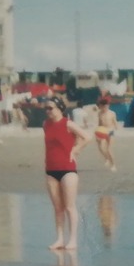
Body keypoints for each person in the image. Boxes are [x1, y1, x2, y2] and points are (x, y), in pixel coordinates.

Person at [42, 97, 93, 250]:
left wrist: (76, 150)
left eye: (50, 108)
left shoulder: (67, 123)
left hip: (68, 169)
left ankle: (73, 240)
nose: (48, 111)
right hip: (51, 170)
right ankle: (59, 239)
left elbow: (87, 137)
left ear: (59, 108)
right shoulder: (46, 125)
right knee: (58, 208)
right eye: (46, 108)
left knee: (70, 206)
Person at [94, 99, 117, 171]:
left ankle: (113, 165)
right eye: (101, 106)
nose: (103, 108)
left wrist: (115, 129)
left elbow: (115, 123)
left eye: (105, 106)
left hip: (110, 131)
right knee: (100, 147)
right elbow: (99, 123)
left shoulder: (112, 113)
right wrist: (97, 132)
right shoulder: (99, 113)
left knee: (109, 149)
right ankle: (107, 158)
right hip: (102, 130)